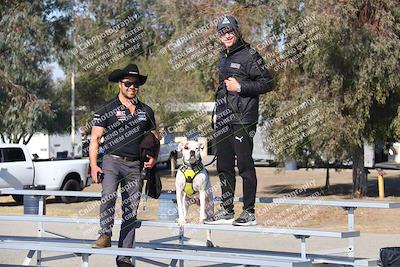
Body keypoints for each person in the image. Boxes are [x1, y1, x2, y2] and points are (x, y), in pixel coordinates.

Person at [205, 16, 273, 226]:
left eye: (230, 31)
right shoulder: (223, 57)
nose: (226, 35)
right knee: (224, 165)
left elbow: (268, 82)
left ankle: (249, 212)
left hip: (244, 119)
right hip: (224, 118)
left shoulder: (250, 54)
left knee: (244, 165)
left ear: (236, 31)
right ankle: (226, 209)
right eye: (222, 32)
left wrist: (241, 87)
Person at [89, 63, 158, 267]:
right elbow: (95, 139)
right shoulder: (106, 110)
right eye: (128, 83)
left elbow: (155, 137)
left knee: (130, 210)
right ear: (120, 84)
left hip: (135, 166)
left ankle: (124, 256)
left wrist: (154, 156)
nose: (132, 87)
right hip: (112, 161)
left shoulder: (147, 111)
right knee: (108, 196)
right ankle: (105, 234)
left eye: (135, 84)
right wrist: (94, 165)